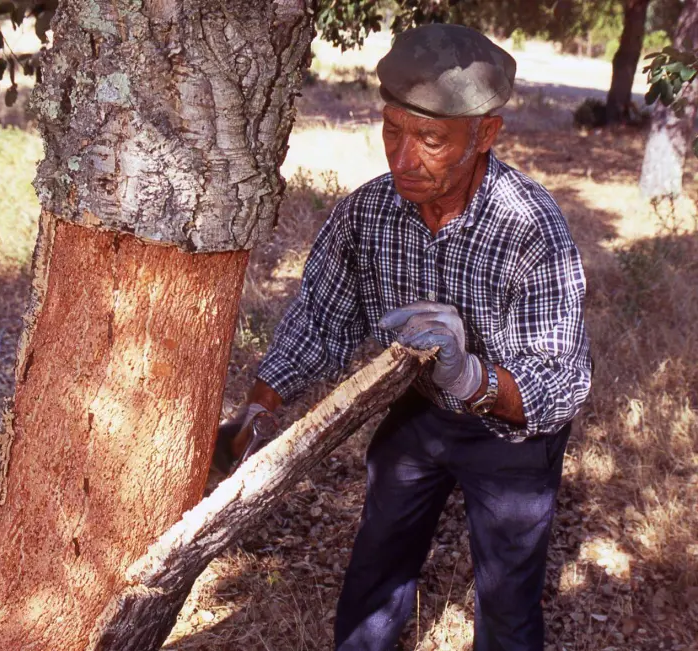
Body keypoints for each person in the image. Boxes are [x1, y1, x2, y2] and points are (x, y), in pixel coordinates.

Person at [220, 23, 592, 651]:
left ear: (486, 135)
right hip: (419, 412)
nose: (402, 157)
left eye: (431, 140)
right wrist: (258, 409)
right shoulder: (369, 211)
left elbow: (559, 384)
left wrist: (470, 376)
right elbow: (318, 319)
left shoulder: (530, 227)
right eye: (391, 131)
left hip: (511, 434)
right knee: (378, 561)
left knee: (507, 599)